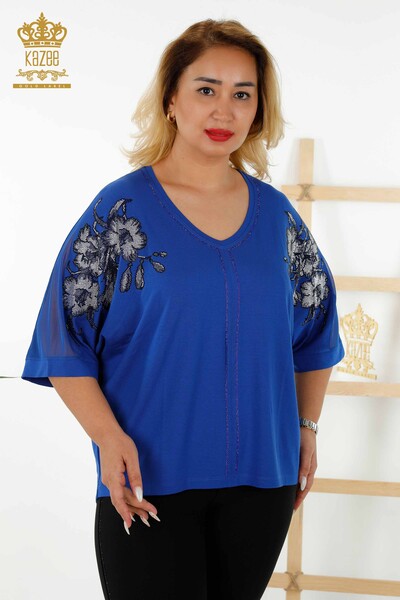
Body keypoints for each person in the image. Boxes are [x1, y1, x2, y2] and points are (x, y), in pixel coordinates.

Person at [21, 18, 345, 600]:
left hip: (262, 484)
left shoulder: (277, 217)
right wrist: (108, 439)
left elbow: (316, 330)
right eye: (206, 89)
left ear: (258, 110)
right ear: (171, 99)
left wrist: (306, 426)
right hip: (147, 479)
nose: (224, 110)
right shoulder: (120, 211)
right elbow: (64, 340)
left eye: (242, 94)